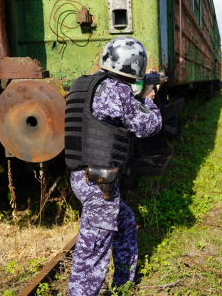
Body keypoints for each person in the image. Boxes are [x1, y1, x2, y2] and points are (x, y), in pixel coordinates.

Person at [64, 36, 164, 296]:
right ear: (134, 65)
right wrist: (149, 98)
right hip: (99, 183)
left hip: (80, 176)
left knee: (126, 220)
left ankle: (123, 283)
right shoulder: (116, 90)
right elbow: (148, 126)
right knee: (92, 252)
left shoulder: (83, 83)